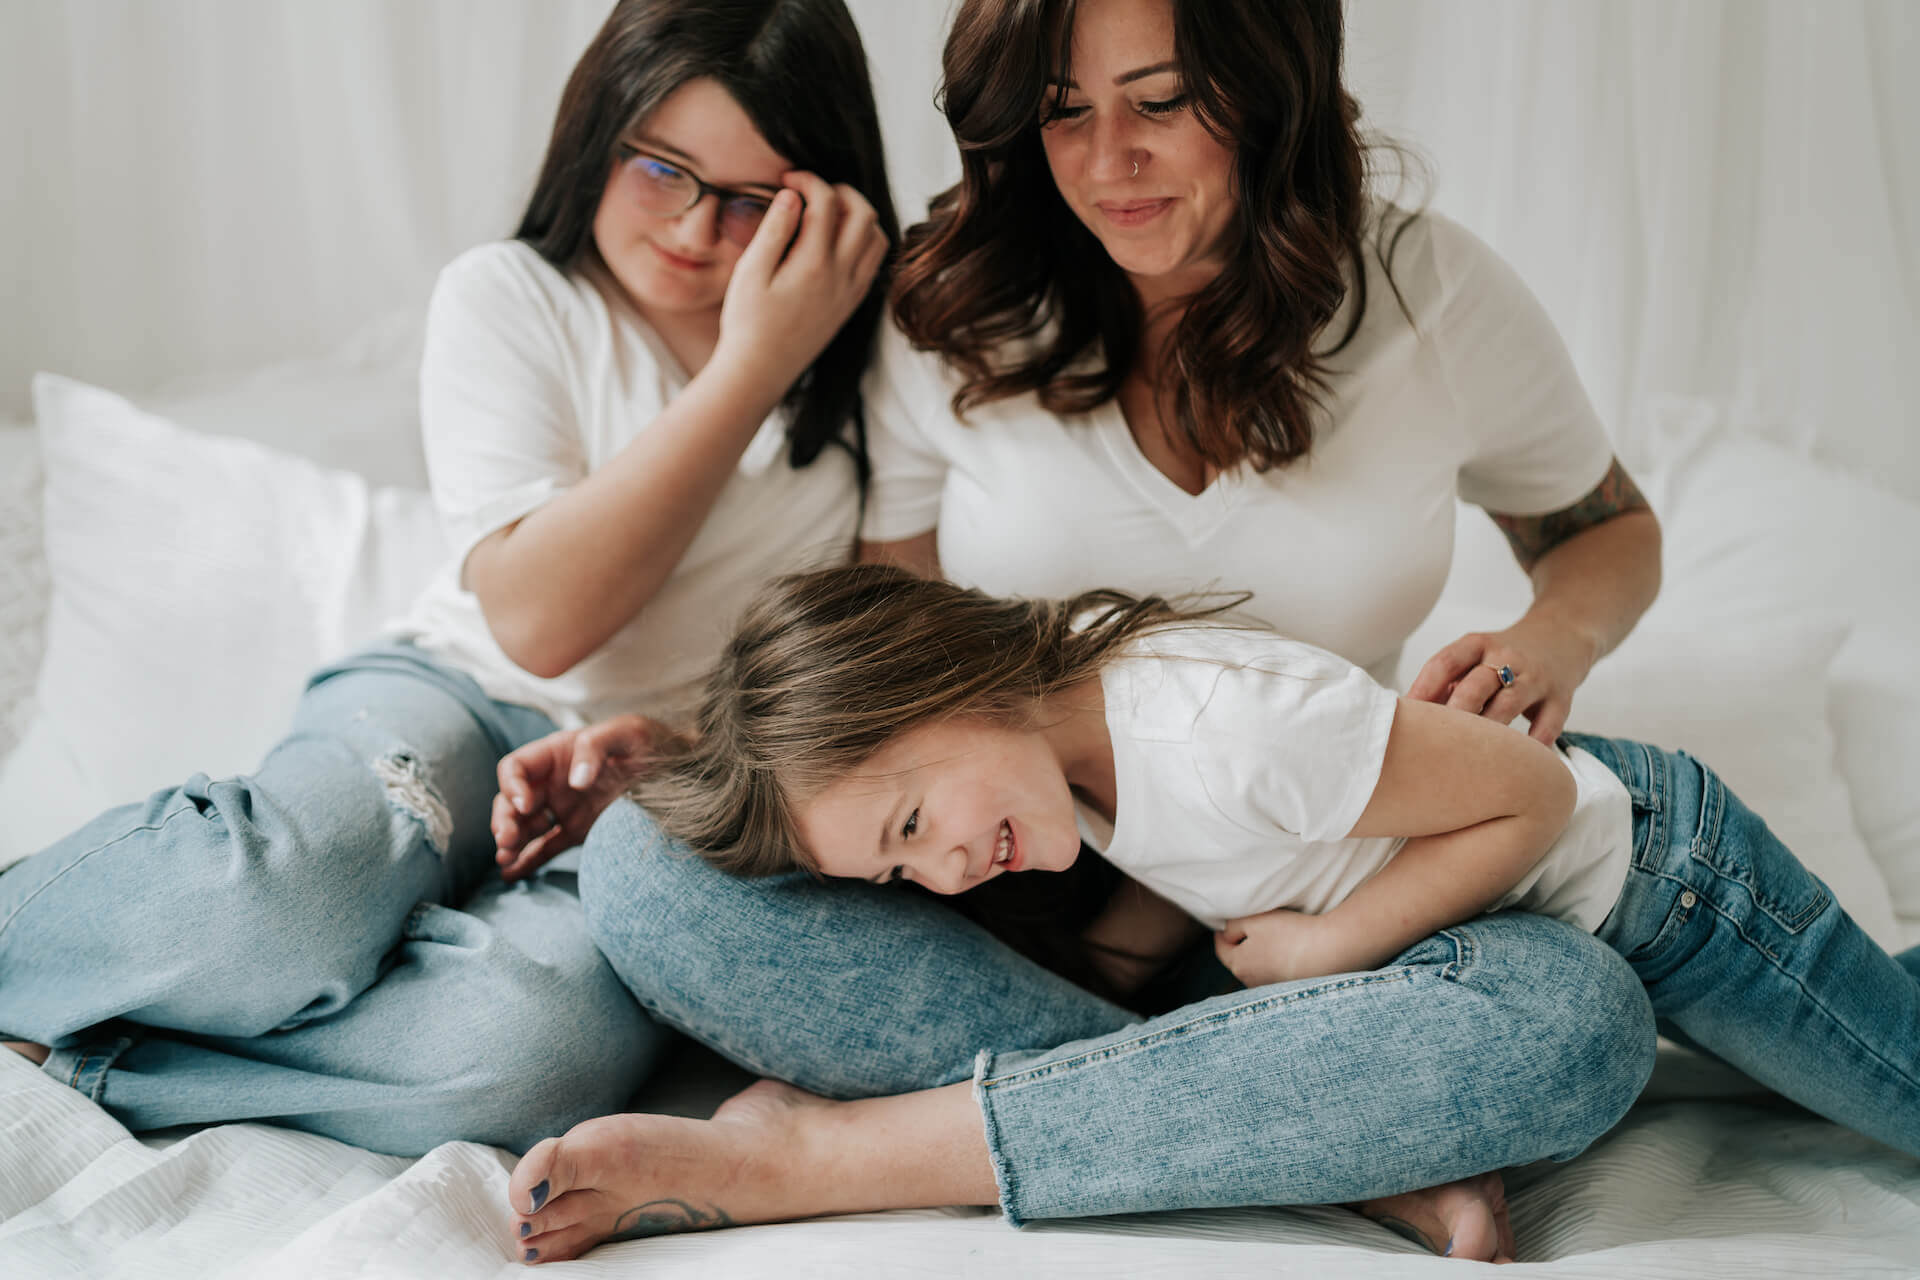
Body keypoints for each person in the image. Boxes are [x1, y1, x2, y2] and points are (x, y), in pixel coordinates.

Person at [490, 0, 1666, 1264]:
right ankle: (1314, 1134)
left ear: (1269, 86)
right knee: (645, 867)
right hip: (1020, 906)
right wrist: (715, 765)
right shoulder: (945, 313)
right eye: (1061, 111)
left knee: (1574, 1020)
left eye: (1161, 100)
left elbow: (1603, 528)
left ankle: (832, 1154)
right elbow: (898, 655)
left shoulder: (1428, 294)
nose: (1110, 161)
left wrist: (1554, 635)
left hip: (1318, 911)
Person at [0, 0, 895, 1156]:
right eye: (662, 168)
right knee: (273, 902)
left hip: (669, 789)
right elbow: (538, 621)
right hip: (460, 693)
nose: (692, 227)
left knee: (529, 1055)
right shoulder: (511, 296)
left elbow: (883, 661)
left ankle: (100, 1058)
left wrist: (786, 355)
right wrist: (751, 366)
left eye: (752, 201)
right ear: (599, 132)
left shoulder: (882, 365)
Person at [638, 564, 1920, 1155]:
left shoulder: (1223, 729)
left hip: (1674, 888)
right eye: (898, 876)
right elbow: (1212, 857)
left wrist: (1331, 945)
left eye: (913, 826)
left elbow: (1532, 794)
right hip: (1561, 913)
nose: (944, 875)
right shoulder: (1065, 750)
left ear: (938, 682)